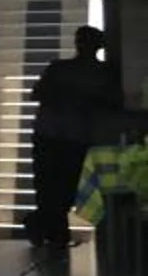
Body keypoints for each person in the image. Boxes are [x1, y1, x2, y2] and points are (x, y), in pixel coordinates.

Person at [30, 27, 121, 250]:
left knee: (64, 189)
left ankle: (45, 227)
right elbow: (38, 93)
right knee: (48, 188)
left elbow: (112, 102)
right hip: (52, 135)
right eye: (81, 41)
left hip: (73, 137)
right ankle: (51, 231)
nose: (83, 45)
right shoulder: (59, 68)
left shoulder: (103, 73)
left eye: (87, 41)